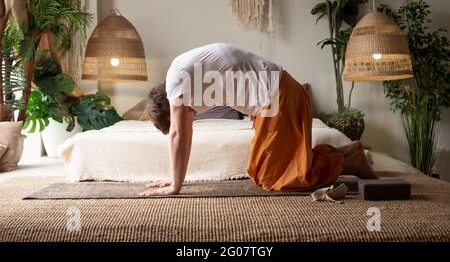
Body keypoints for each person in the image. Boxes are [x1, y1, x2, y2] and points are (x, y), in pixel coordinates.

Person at [140, 43, 377, 196]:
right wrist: (175, 179)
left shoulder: (176, 83)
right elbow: (184, 132)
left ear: (169, 106)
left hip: (278, 97)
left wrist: (174, 185)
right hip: (282, 94)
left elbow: (179, 135)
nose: (190, 118)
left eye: (183, 115)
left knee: (270, 176)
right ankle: (347, 152)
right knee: (260, 168)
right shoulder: (184, 71)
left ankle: (349, 164)